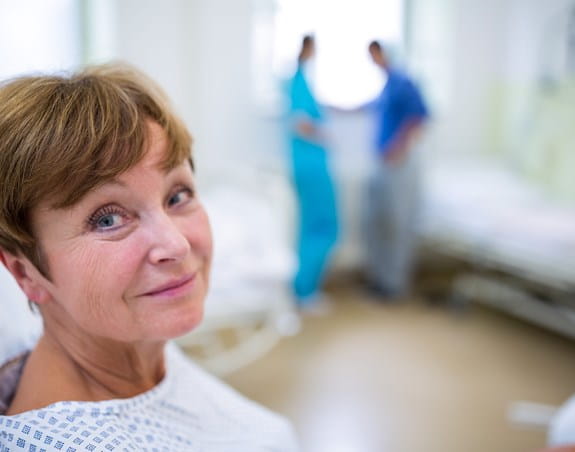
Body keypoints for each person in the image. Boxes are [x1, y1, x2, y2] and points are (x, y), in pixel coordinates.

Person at [0, 64, 299, 451]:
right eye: (108, 218)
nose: (176, 245)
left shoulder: (141, 348)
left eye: (178, 196)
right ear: (25, 273)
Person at [362, 40, 429, 299]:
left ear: (384, 53)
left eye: (374, 55)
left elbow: (419, 117)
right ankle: (381, 278)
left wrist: (399, 147)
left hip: (399, 161)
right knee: (376, 220)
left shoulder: (403, 81)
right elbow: (372, 107)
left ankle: (395, 284)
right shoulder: (386, 86)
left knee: (396, 223)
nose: (372, 61)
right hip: (383, 162)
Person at [286, 35, 339, 309]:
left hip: (309, 165)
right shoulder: (298, 81)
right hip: (311, 167)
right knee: (322, 226)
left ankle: (305, 288)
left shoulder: (301, 81)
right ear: (307, 49)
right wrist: (325, 133)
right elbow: (300, 123)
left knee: (316, 225)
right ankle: (305, 290)